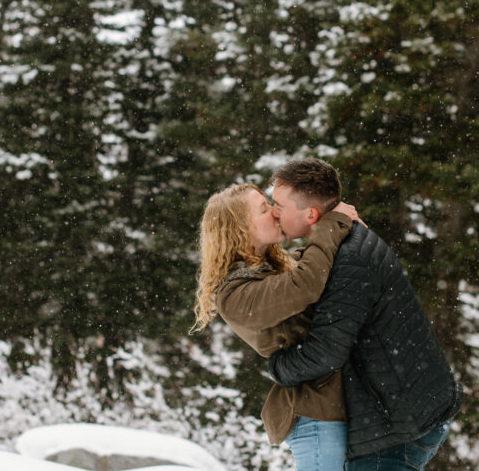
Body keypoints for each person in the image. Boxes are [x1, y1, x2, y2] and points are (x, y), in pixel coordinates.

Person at [266, 158, 463, 470]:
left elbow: (325, 353)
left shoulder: (349, 260)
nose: (273, 212)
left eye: (278, 205)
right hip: (407, 412)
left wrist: (277, 366)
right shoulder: (343, 243)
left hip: (395, 429)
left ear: (311, 214)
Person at [192, 182, 359, 470]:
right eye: (264, 209)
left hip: (335, 407)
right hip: (314, 415)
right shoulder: (235, 295)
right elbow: (306, 283)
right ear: (240, 229)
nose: (275, 211)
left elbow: (315, 261)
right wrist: (333, 223)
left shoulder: (274, 269)